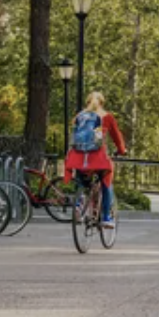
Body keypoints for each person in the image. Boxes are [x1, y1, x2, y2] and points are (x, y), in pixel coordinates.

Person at [63, 91, 127, 229]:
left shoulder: (79, 117)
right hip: (98, 158)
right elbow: (117, 137)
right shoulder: (107, 117)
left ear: (87, 102)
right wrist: (122, 150)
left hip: (79, 157)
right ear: (102, 103)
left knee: (81, 180)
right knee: (106, 181)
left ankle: (79, 204)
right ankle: (106, 217)